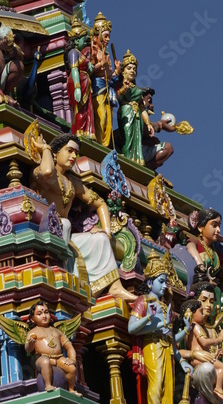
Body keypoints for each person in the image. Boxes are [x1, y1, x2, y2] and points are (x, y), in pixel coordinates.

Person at [30, 132, 136, 301]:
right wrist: (46, 149)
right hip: (46, 231)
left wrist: (106, 232)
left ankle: (114, 287)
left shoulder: (72, 182)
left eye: (76, 153)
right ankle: (61, 275)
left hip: (66, 234)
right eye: (70, 151)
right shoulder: (40, 173)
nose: (73, 156)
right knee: (64, 223)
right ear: (56, 153)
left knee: (99, 239)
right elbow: (48, 170)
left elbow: (100, 203)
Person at [128, 250, 193, 404]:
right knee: (156, 385)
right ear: (150, 283)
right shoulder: (143, 301)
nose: (165, 286)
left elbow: (170, 338)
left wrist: (185, 331)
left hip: (166, 349)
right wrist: (148, 318)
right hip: (152, 346)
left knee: (167, 391)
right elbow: (131, 328)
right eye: (161, 281)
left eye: (166, 282)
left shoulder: (165, 307)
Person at [24, 300, 82, 396]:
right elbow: (28, 350)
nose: (44, 315)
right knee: (45, 362)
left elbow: (69, 347)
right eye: (39, 313)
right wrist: (30, 343)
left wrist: (72, 359)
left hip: (58, 357)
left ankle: (71, 389)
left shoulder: (57, 331)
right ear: (33, 319)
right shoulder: (32, 332)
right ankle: (48, 385)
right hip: (41, 358)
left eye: (46, 312)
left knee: (71, 368)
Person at [116, 50, 154, 166]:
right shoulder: (121, 84)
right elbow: (117, 96)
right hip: (126, 112)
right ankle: (127, 158)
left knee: (137, 140)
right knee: (128, 138)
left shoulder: (137, 89)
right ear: (123, 71)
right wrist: (124, 89)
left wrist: (148, 124)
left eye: (134, 69)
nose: (132, 70)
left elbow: (142, 108)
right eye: (129, 68)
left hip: (137, 116)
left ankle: (137, 161)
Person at [90, 12, 120, 147]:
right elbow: (89, 69)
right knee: (101, 116)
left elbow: (110, 77)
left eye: (109, 36)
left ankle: (105, 144)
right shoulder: (94, 51)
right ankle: (98, 142)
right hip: (98, 87)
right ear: (97, 36)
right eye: (105, 36)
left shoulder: (106, 54)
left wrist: (117, 72)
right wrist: (101, 64)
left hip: (108, 88)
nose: (108, 39)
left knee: (108, 119)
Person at [65, 15, 95, 140]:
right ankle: (79, 130)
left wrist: (90, 67)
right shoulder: (73, 53)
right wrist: (77, 87)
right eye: (83, 39)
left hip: (85, 80)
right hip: (77, 81)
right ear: (77, 41)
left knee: (88, 108)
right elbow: (74, 70)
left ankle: (87, 131)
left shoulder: (81, 53)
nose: (85, 42)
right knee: (80, 109)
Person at [141, 87, 175, 170]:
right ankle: (146, 168)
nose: (152, 106)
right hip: (134, 152)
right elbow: (140, 128)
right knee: (168, 147)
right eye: (149, 101)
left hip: (141, 151)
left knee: (156, 142)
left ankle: (147, 168)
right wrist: (160, 125)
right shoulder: (134, 113)